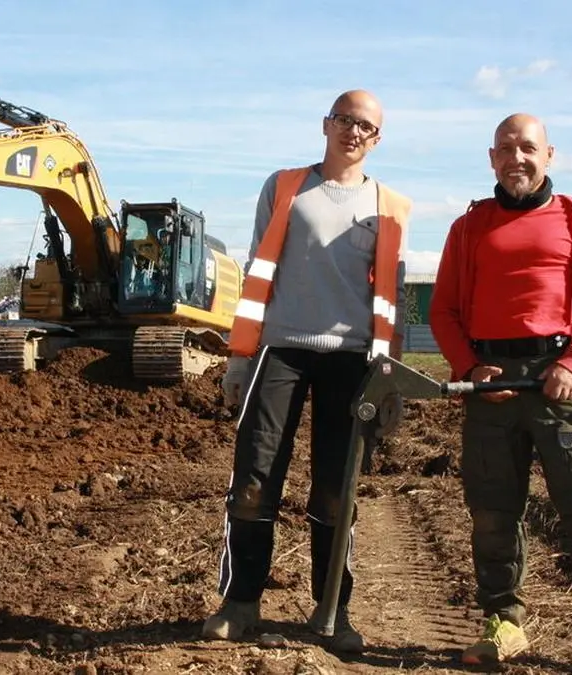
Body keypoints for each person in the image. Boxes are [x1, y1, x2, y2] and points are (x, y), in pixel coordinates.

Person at [428, 113, 572, 675]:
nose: (516, 158)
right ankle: (503, 622)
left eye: (527, 147)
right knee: (492, 512)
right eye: (505, 149)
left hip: (562, 384)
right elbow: (444, 311)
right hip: (491, 385)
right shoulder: (469, 227)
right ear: (491, 159)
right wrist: (471, 367)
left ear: (549, 155)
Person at [202, 90, 412, 653]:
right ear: (326, 123)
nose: (353, 131)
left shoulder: (390, 205)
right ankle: (241, 602)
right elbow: (256, 271)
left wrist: (390, 377)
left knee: (337, 491)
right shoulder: (285, 186)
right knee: (254, 479)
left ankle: (331, 611)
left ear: (377, 138)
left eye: (365, 126)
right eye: (345, 120)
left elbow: (392, 298)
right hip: (281, 352)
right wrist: (241, 360)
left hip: (352, 360)